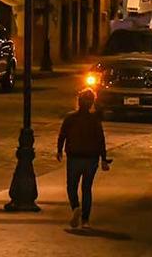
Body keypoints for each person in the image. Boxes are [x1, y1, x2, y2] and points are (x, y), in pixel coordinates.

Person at [56, 89, 111, 230]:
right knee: (87, 188)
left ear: (78, 102)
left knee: (71, 186)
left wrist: (59, 151)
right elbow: (100, 140)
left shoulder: (70, 118)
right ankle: (85, 220)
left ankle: (75, 207)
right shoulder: (95, 120)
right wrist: (103, 159)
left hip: (75, 156)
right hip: (91, 158)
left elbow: (62, 135)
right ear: (92, 103)